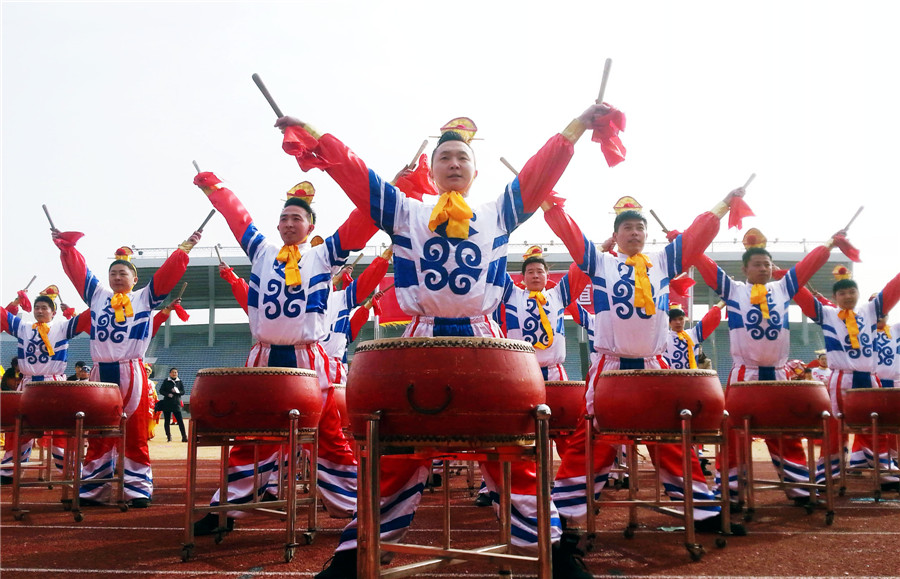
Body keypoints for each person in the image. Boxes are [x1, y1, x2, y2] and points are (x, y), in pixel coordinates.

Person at [279, 102, 614, 579]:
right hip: (419, 346)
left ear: (475, 170)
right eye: (444, 159)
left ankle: (553, 551)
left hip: (487, 348)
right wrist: (315, 134)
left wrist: (576, 128)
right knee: (395, 455)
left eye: (461, 158)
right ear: (432, 171)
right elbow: (357, 176)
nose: (453, 164)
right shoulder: (404, 211)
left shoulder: (499, 211)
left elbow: (539, 173)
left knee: (513, 452)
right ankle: (354, 555)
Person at [542, 184, 747, 536]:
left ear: (646, 235)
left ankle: (702, 509)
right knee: (592, 436)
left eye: (639, 228)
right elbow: (570, 234)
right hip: (610, 368)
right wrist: (549, 204)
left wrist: (724, 205)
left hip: (654, 367)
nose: (634, 233)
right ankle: (563, 514)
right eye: (627, 228)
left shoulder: (664, 263)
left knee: (670, 436)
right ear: (616, 235)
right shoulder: (599, 262)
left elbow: (695, 239)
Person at [190, 174, 377, 536]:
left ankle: (358, 508)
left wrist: (387, 192)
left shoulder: (323, 256)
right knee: (253, 436)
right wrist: (217, 191)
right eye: (285, 218)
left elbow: (358, 226)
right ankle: (227, 509)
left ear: (311, 226)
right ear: (277, 225)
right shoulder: (261, 252)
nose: (290, 223)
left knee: (326, 437)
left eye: (298, 218)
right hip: (262, 360)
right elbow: (238, 218)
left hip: (307, 360)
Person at [693, 228, 846, 506]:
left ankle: (801, 489)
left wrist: (828, 245)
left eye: (766, 264)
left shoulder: (783, 288)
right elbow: (707, 267)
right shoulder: (733, 290)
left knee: (784, 431)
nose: (763, 268)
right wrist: (689, 243)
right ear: (745, 268)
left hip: (778, 375)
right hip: (744, 375)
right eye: (757, 264)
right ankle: (731, 494)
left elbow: (805, 268)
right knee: (735, 432)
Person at [53, 231, 200, 508]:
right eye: (114, 273)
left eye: (123, 273)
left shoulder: (145, 298)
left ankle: (137, 490)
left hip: (130, 370)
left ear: (135, 279)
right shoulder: (96, 296)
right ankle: (92, 489)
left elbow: (165, 277)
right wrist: (67, 248)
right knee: (98, 430)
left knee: (133, 430)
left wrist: (184, 249)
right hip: (100, 373)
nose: (118, 277)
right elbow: (79, 273)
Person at [794, 274, 900, 490]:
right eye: (842, 293)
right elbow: (803, 299)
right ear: (835, 297)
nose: (848, 296)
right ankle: (829, 472)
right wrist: (784, 277)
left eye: (852, 291)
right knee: (836, 426)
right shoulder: (827, 313)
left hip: (870, 378)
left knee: (877, 426)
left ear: (858, 294)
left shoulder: (870, 311)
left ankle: (886, 474)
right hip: (842, 378)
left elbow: (891, 291)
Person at [0, 295, 90, 484]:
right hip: (28, 385)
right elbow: (3, 316)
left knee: (60, 430)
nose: (39, 311)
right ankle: (9, 470)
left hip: (53, 385)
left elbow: (86, 318)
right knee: (21, 428)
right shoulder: (23, 328)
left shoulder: (62, 328)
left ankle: (71, 470)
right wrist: (14, 304)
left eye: (44, 308)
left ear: (53, 312)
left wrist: (70, 312)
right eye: (37, 307)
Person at [665, 301, 725, 370]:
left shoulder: (693, 334)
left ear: (684, 320)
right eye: (674, 319)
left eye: (680, 319)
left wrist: (722, 303)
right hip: (670, 378)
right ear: (669, 322)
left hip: (691, 378)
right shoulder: (664, 337)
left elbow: (709, 319)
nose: (678, 322)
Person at [157, 368, 187, 442]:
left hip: (176, 403)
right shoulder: (166, 381)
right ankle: (168, 436)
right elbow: (161, 390)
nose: (174, 374)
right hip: (167, 403)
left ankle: (184, 436)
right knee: (167, 420)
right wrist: (168, 394)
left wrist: (177, 392)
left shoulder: (179, 382)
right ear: (170, 373)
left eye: (176, 372)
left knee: (180, 421)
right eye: (173, 372)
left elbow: (183, 392)